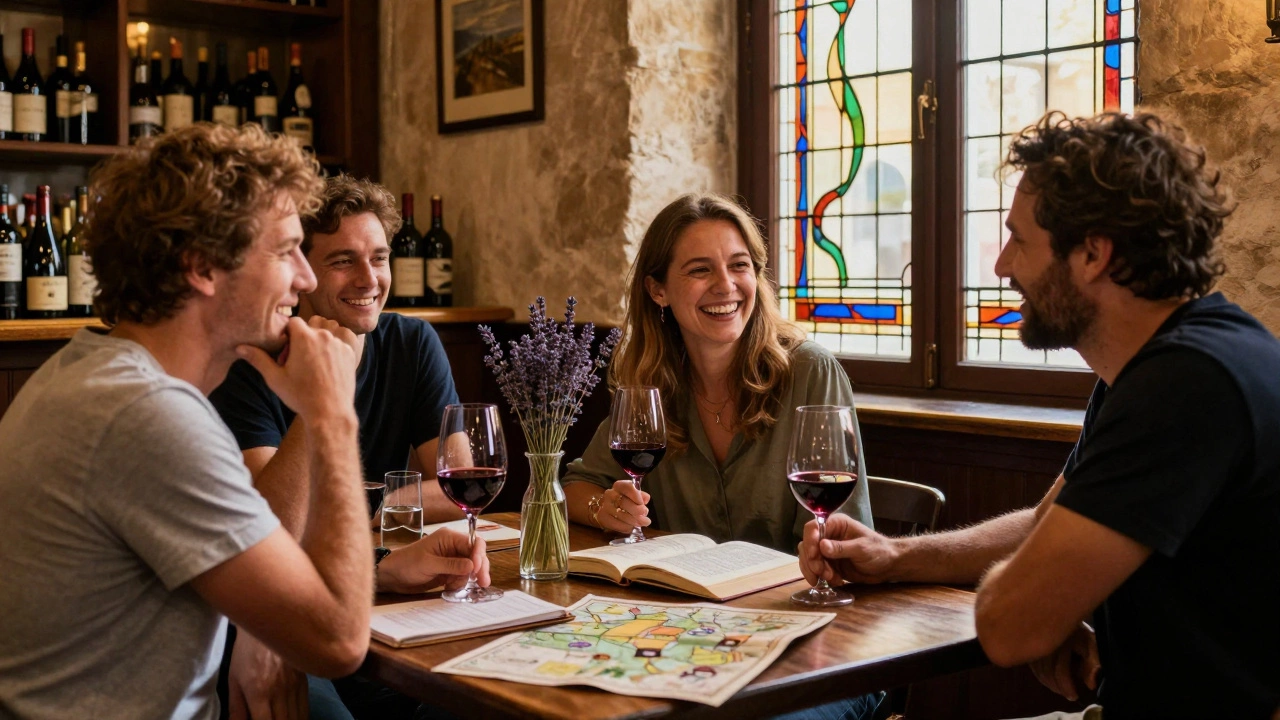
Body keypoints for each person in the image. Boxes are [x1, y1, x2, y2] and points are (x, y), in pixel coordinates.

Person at [800, 112, 1280, 720]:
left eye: (1019, 240)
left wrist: (1044, 605)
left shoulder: (1185, 385)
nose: (1002, 266)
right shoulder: (1157, 364)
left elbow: (1008, 627)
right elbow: (1043, 524)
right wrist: (894, 558)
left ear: (1093, 254)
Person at [0, 123, 378, 719]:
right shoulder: (145, 415)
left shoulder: (92, 374)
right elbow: (338, 640)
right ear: (202, 266)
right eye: (285, 251)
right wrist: (331, 414)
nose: (305, 279)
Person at [562, 193, 877, 720]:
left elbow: (849, 540)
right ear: (658, 290)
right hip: (692, 641)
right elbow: (576, 485)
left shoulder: (811, 372)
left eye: (739, 265)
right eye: (700, 270)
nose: (726, 286)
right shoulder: (650, 383)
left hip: (814, 646)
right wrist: (605, 508)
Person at [209, 175, 484, 720]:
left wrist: (349, 510)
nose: (369, 279)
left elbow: (460, 488)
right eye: (343, 261)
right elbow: (269, 532)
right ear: (302, 272)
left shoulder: (412, 342)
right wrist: (324, 395)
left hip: (385, 593)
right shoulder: (249, 362)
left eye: (379, 258)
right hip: (275, 618)